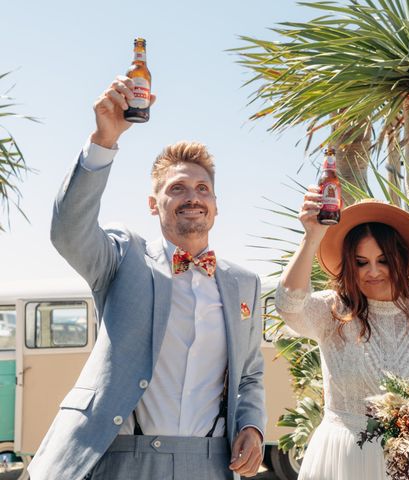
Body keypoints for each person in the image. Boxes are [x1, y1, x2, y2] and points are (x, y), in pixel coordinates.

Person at [28, 76, 266, 480]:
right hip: (122, 457)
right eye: (177, 188)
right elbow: (68, 231)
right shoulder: (124, 257)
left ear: (215, 205)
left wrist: (252, 426)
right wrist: (103, 141)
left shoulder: (244, 282)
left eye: (203, 188)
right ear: (153, 204)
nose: (193, 196)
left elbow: (250, 371)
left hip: (209, 462)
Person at [275, 189, 409, 479]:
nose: (372, 271)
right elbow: (288, 304)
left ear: (399, 258)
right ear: (349, 264)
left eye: (383, 260)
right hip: (343, 460)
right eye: (361, 262)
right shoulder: (332, 311)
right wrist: (311, 236)